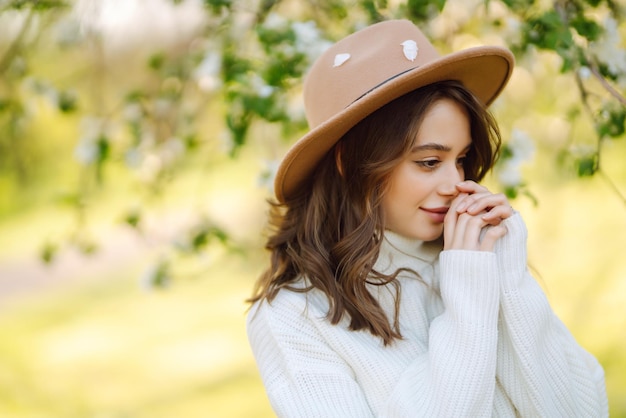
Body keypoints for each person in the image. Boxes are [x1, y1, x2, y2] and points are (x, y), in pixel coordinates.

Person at [246, 19, 608, 417]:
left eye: (462, 159)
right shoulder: (296, 316)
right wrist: (468, 297)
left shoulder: (476, 252)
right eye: (430, 161)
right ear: (351, 163)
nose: (455, 183)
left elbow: (581, 407)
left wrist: (508, 277)